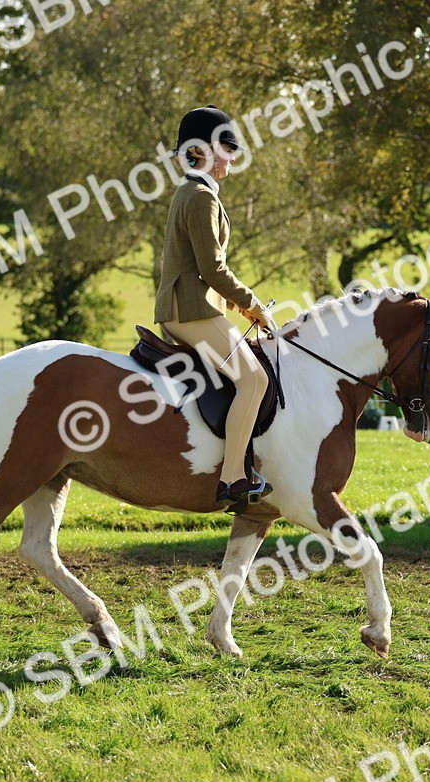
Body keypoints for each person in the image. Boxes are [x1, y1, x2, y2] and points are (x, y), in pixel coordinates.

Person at [155, 105, 276, 508]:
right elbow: (213, 267)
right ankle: (233, 478)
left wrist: (236, 306)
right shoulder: (200, 196)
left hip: (189, 305)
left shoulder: (194, 191)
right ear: (201, 151)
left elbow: (203, 265)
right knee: (255, 381)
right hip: (189, 309)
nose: (232, 156)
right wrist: (254, 305)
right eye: (226, 147)